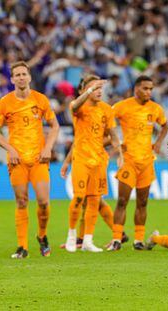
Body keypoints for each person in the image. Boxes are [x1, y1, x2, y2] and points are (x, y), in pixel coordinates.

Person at [0, 61, 60, 259]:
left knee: (43, 202)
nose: (21, 77)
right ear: (12, 79)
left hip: (38, 159)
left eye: (24, 74)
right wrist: (10, 149)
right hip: (17, 161)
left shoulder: (40, 99)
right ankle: (22, 247)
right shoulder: (5, 102)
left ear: (30, 76)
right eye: (17, 75)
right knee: (22, 201)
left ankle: (42, 236)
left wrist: (48, 148)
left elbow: (55, 126)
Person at [107, 75, 168, 251]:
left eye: (151, 89)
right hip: (129, 161)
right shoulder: (122, 106)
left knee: (142, 202)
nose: (148, 92)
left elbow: (164, 126)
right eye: (145, 88)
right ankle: (116, 239)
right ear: (136, 89)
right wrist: (115, 142)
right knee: (122, 201)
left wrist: (157, 143)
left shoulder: (155, 109)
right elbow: (108, 121)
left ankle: (138, 240)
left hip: (147, 162)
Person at [64, 75, 122, 252]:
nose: (98, 91)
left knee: (94, 200)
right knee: (79, 197)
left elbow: (112, 134)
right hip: (81, 158)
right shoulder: (79, 107)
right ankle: (72, 236)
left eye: (99, 88)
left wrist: (119, 153)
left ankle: (88, 240)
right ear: (86, 90)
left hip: (99, 160)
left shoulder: (106, 109)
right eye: (94, 88)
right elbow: (73, 107)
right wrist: (89, 90)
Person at [59, 144, 128, 249]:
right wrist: (68, 161)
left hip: (96, 160)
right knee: (89, 201)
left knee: (92, 200)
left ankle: (118, 234)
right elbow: (78, 141)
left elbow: (108, 136)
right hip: (85, 157)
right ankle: (118, 234)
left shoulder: (99, 129)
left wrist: (94, 142)